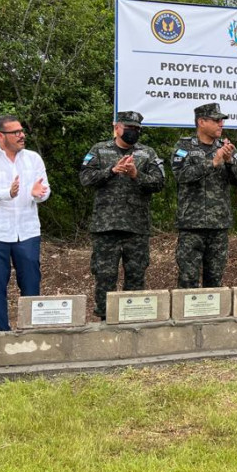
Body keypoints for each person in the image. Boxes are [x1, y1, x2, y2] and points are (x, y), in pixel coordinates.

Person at [79, 111, 166, 319]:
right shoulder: (99, 150)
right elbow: (85, 178)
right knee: (104, 275)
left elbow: (159, 183)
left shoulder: (147, 153)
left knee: (136, 275)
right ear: (117, 127)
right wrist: (112, 170)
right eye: (129, 127)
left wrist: (137, 175)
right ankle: (104, 318)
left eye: (137, 129)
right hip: (106, 226)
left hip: (137, 227)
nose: (133, 132)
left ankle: (133, 318)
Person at [0, 114, 50, 331]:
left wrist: (38, 194)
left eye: (22, 131)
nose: (21, 135)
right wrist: (8, 192)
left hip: (27, 232)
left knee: (31, 283)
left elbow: (45, 190)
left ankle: (32, 332)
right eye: (15, 132)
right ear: (0, 136)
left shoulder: (33, 158)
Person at [171, 102, 237, 288]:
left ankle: (213, 318)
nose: (221, 124)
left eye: (222, 121)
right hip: (191, 225)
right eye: (216, 120)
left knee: (215, 282)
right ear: (201, 122)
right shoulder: (183, 147)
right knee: (188, 281)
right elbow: (181, 175)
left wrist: (229, 161)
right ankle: (187, 318)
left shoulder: (227, 148)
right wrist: (213, 162)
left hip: (218, 225)